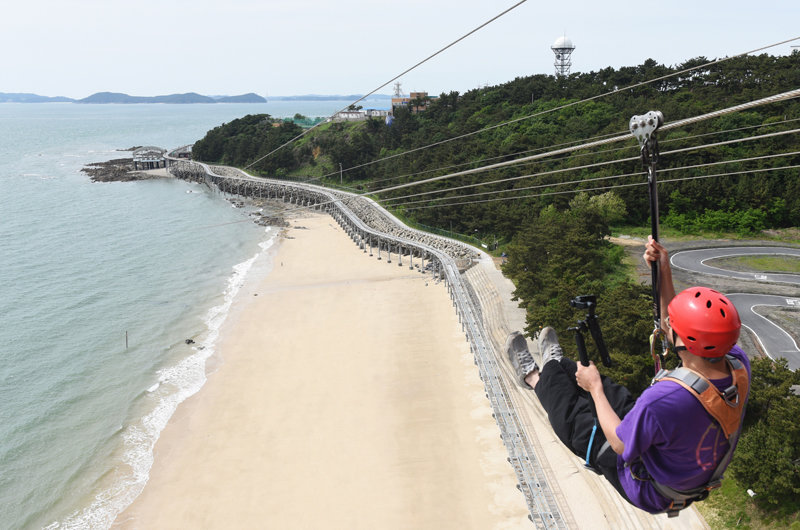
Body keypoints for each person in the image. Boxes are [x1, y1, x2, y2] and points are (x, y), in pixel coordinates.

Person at [506, 236, 751, 516]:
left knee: (574, 421)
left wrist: (595, 388)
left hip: (649, 487)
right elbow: (672, 324)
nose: (668, 325)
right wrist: (663, 271)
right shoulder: (737, 365)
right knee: (618, 397)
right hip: (683, 466)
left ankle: (534, 376)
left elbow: (620, 445)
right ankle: (555, 367)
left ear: (684, 342)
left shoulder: (663, 398)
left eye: (674, 326)